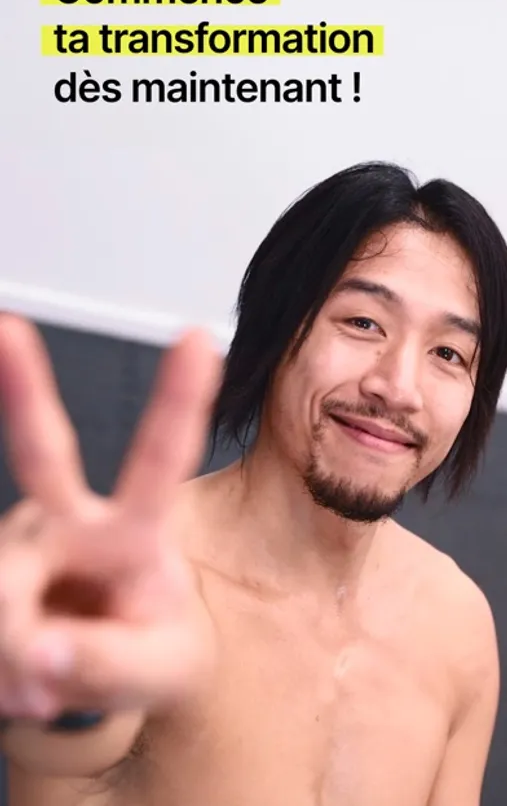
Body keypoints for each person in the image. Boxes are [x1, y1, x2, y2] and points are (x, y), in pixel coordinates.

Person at [1, 161, 506, 806]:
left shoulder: (458, 628)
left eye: (448, 354)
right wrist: (66, 678)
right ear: (276, 325)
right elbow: (66, 738)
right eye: (363, 323)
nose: (399, 387)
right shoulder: (144, 589)